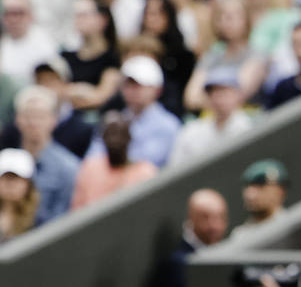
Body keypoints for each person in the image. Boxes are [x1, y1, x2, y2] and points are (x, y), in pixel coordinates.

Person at [148, 188, 229, 287]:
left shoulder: (227, 253)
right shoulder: (176, 264)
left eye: (220, 217)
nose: (215, 226)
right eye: (206, 217)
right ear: (192, 218)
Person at [84, 57, 182, 170]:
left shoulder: (168, 125)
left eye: (139, 85)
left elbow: (146, 163)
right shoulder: (112, 121)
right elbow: (93, 157)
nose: (132, 90)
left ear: (157, 89)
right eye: (127, 85)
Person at [9, 85, 78, 226]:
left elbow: (65, 220)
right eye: (28, 116)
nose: (33, 123)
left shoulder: (68, 167)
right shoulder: (6, 163)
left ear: (54, 120)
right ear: (18, 119)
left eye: (40, 116)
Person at [167, 68, 253, 167]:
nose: (219, 97)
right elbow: (176, 167)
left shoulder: (249, 127)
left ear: (238, 94)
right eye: (213, 92)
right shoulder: (192, 131)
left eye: (224, 91)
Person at [70, 114, 158, 210]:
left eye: (119, 134)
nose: (114, 140)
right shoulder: (90, 168)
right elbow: (77, 210)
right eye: (110, 134)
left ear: (129, 137)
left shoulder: (145, 172)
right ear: (103, 138)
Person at [0, 0, 58, 87]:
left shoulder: (44, 42)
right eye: (8, 13)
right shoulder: (3, 42)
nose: (13, 19)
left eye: (19, 13)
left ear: (31, 15)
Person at [233, 159, 289, 235]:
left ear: (280, 191)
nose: (250, 193)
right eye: (247, 186)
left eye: (261, 185)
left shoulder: (291, 226)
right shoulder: (240, 234)